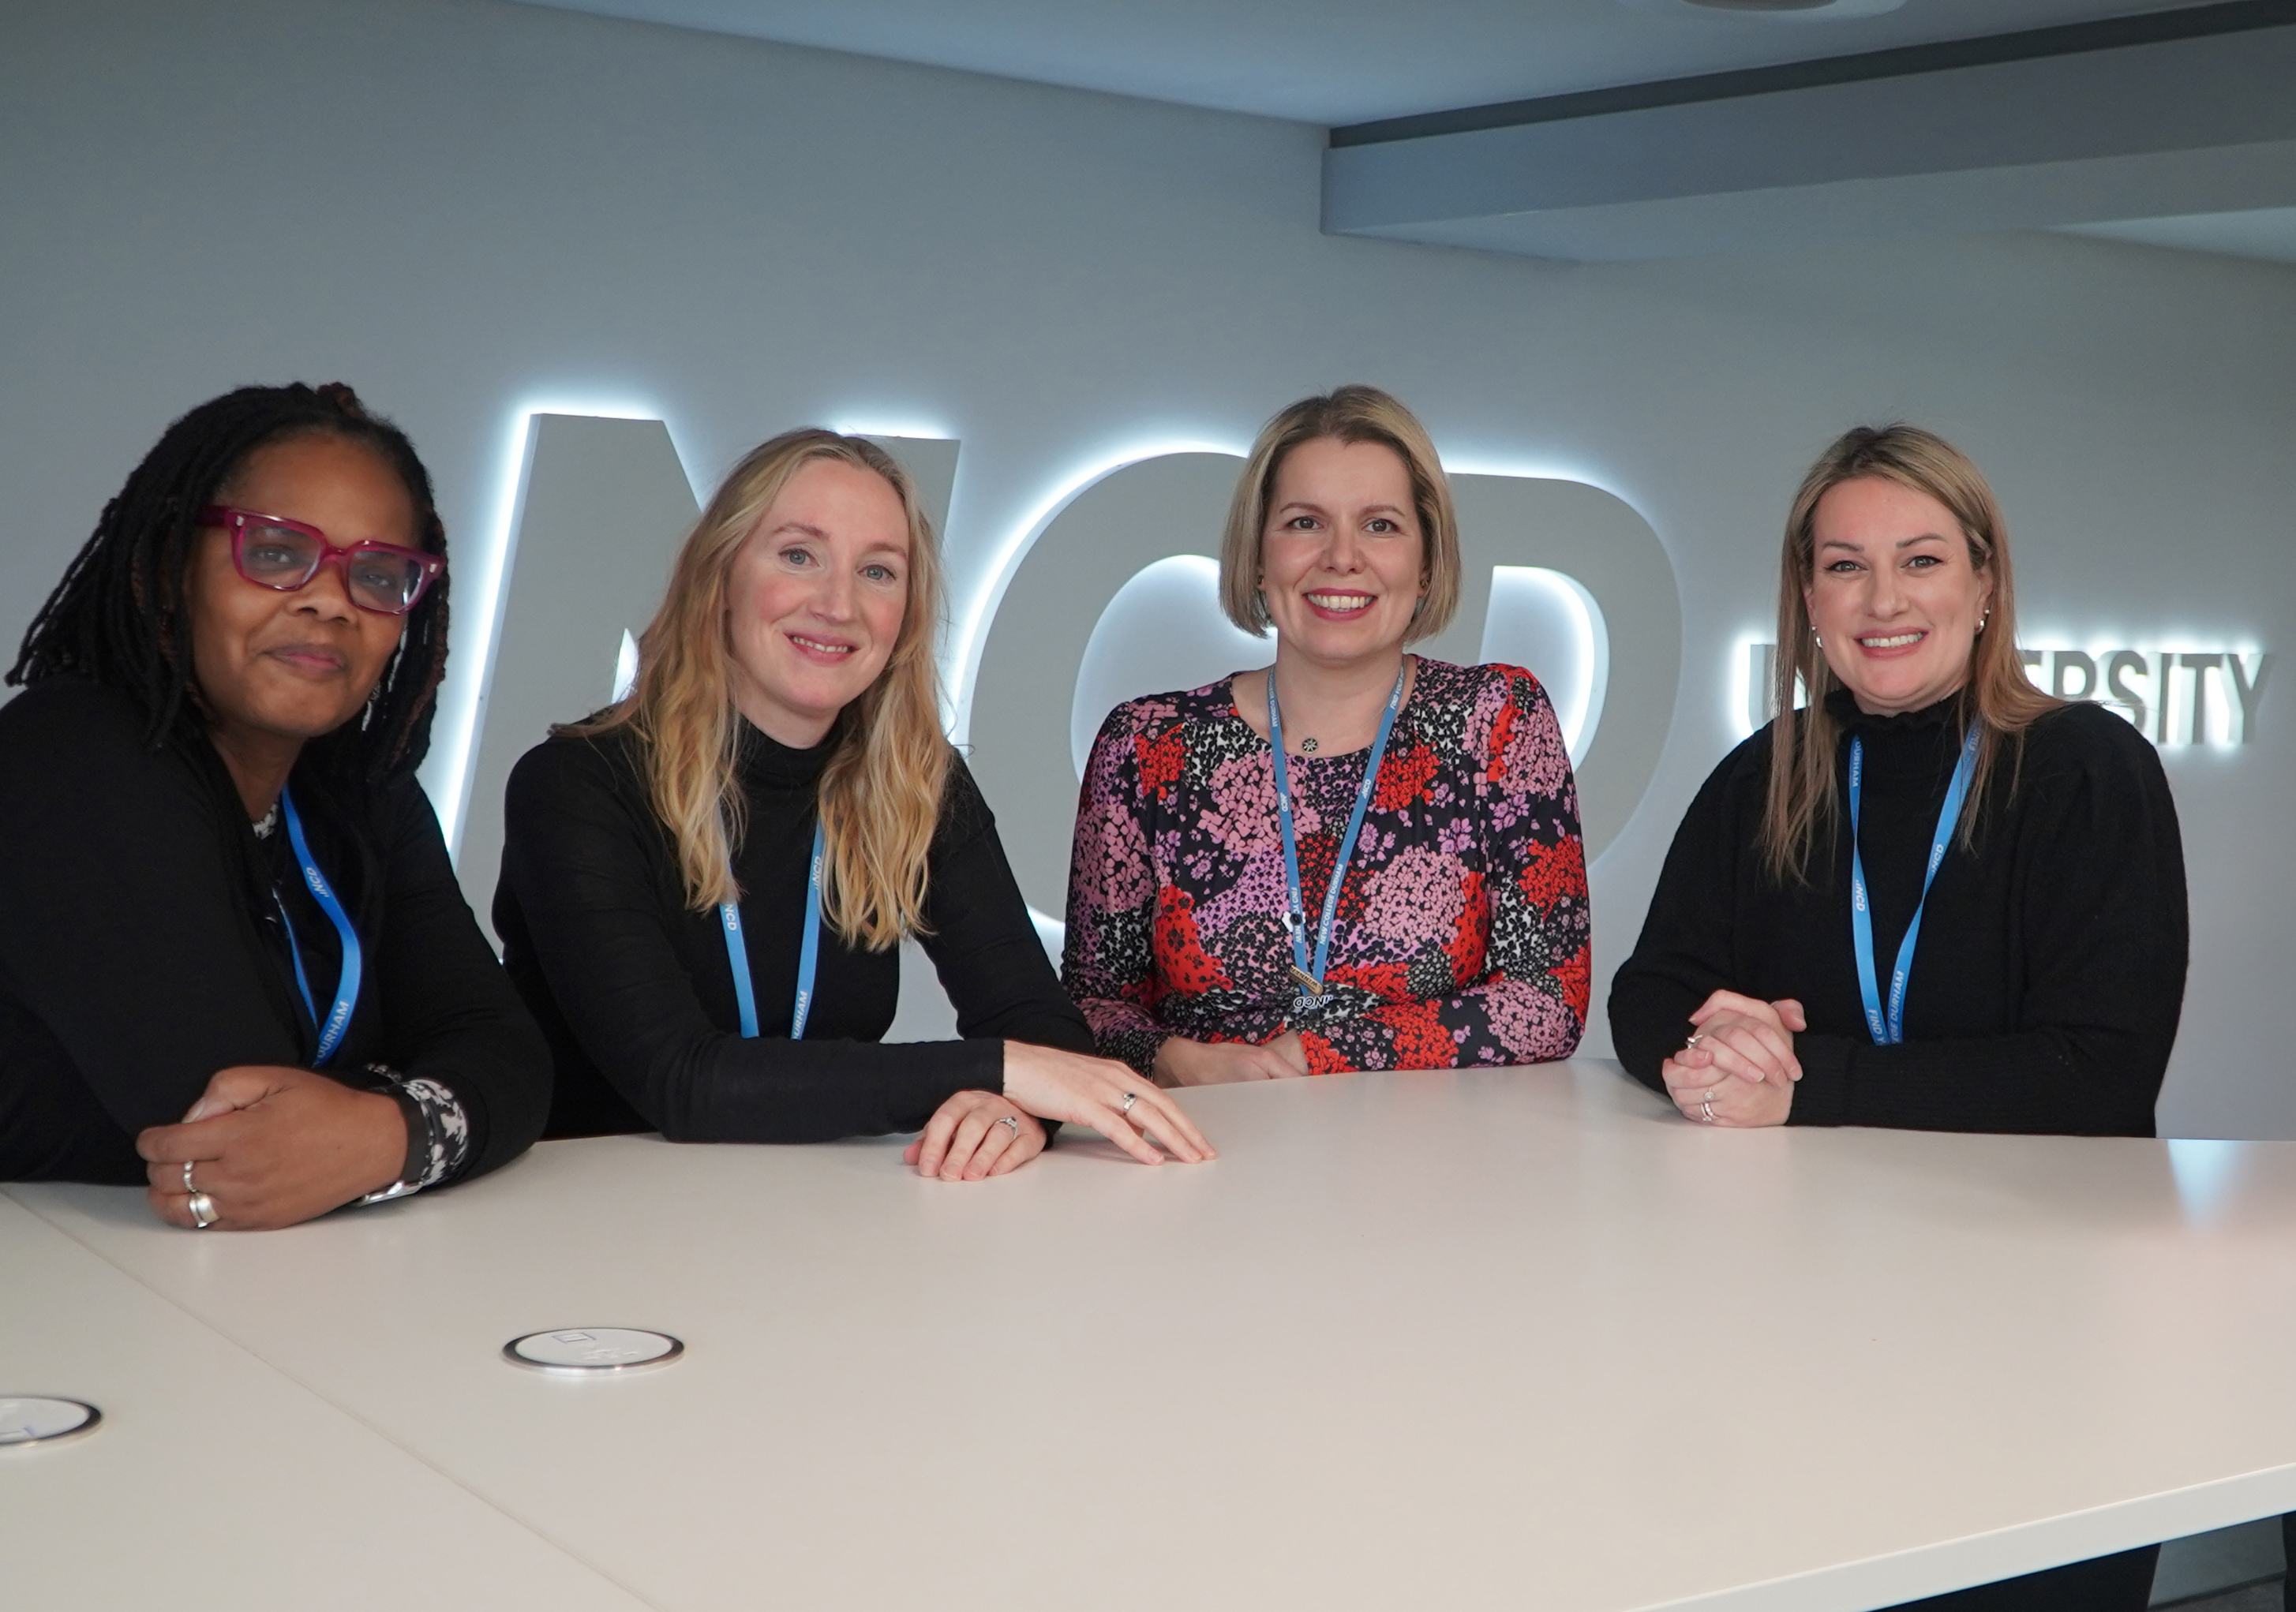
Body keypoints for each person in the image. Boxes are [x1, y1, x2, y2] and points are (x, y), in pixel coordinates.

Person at [1609, 423, 2186, 1611]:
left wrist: (1809, 1081)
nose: (1881, 598)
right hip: (1807, 1323)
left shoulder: (2086, 769)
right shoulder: (1769, 772)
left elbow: (2096, 1073)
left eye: (1919, 560)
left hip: (2038, 1330)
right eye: (1843, 564)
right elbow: (1645, 991)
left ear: (1984, 582)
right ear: (1806, 596)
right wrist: (1718, 1038)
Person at [496, 428, 1209, 1179]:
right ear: (720, 577)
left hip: (823, 1212)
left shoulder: (914, 780)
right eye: (798, 555)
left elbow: (1041, 1035)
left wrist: (1013, 1109)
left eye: (877, 571)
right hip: (594, 1224)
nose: (838, 604)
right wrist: (1003, 1072)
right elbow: (683, 1081)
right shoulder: (575, 786)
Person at [0, 383, 551, 1229]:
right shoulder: (69, 757)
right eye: (277, 552)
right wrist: (422, 1109)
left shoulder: (359, 790)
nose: (330, 599)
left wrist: (380, 1136)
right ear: (171, 567)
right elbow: (224, 1124)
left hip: (243, 1292)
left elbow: (506, 1052)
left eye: (376, 574)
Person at [1064, 385, 1590, 1085]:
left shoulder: (1496, 719)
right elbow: (1092, 1002)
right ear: (1257, 555)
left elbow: (1546, 999)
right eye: (1304, 522)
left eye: (1380, 525)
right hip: (1201, 1148)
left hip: (1436, 1167)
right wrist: (1173, 1059)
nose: (1341, 557)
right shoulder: (1146, 745)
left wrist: (1318, 1055)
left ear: (1427, 561)